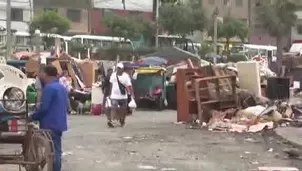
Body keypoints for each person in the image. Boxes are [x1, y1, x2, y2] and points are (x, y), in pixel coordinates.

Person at [29, 65, 68, 171]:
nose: (40, 76)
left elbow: (44, 108)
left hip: (49, 125)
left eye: (41, 73)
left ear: (46, 75)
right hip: (59, 124)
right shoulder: (62, 88)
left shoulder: (49, 88)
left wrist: (32, 116)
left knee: (52, 152)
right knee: (57, 151)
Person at [107, 63, 133, 127]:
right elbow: (111, 84)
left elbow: (129, 86)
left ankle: (122, 121)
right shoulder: (113, 75)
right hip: (114, 95)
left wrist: (132, 94)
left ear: (122, 69)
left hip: (123, 96)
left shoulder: (126, 76)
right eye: (117, 68)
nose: (118, 70)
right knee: (114, 107)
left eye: (119, 68)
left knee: (123, 109)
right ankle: (112, 121)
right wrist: (110, 94)